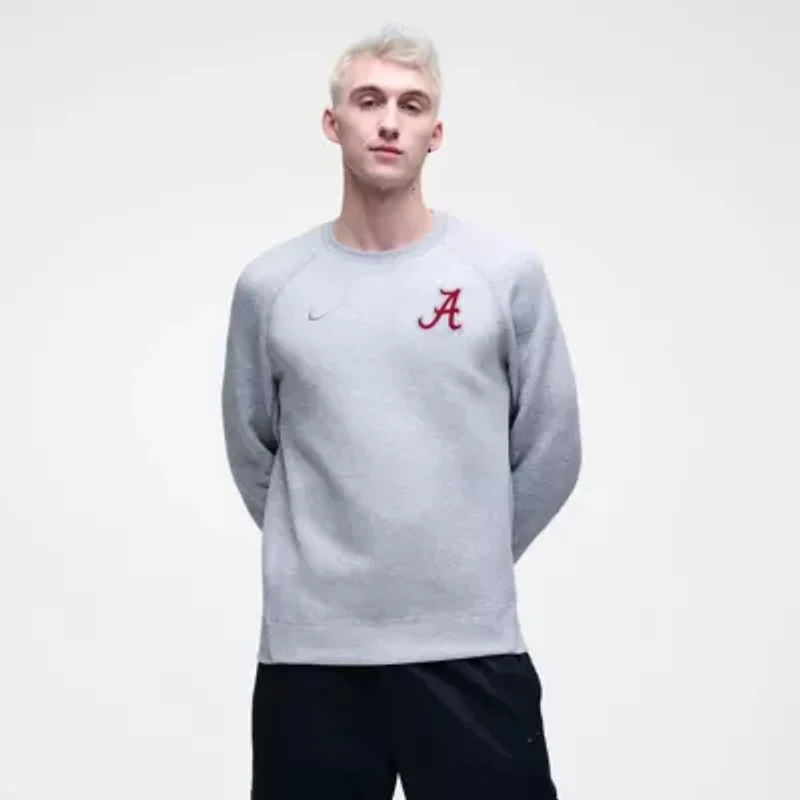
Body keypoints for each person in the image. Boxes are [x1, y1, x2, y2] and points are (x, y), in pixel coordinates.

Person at [221, 23, 582, 800]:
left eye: (411, 105)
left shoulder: (502, 274)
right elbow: (254, 449)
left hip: (470, 647)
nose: (389, 121)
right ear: (333, 122)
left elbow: (552, 448)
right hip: (312, 658)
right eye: (369, 100)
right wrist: (323, 558)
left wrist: (461, 558)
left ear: (435, 133)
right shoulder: (271, 286)